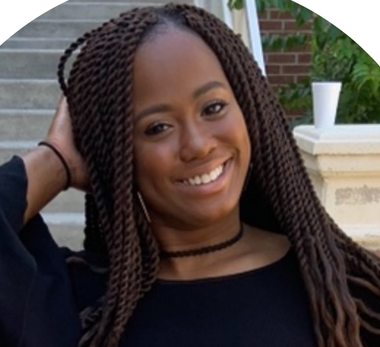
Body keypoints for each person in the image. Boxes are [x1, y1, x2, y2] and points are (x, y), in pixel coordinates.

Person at [0, 3, 379, 347]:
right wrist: (56, 161)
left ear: (250, 109)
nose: (197, 145)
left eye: (213, 107)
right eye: (157, 127)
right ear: (118, 154)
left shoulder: (339, 289)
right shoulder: (78, 301)